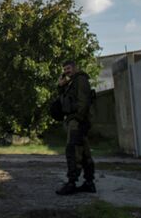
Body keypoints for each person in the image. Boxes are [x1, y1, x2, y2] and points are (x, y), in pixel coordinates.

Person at [55, 60, 96, 195]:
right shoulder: (71, 82)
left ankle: (72, 183)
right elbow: (63, 100)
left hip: (78, 121)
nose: (67, 71)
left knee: (72, 150)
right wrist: (61, 86)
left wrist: (78, 119)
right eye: (65, 69)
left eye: (68, 68)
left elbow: (83, 102)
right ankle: (89, 183)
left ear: (74, 67)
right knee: (84, 153)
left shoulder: (80, 80)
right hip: (76, 120)